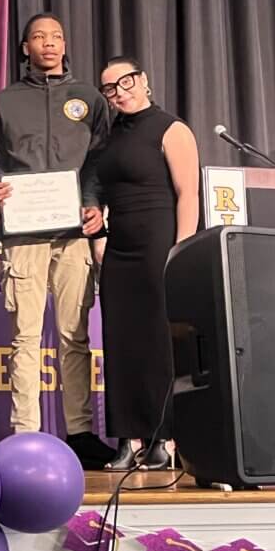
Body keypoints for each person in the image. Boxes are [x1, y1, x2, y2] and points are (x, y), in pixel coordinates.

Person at [0, 12, 114, 470]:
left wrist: (94, 202)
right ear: (25, 47)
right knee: (23, 336)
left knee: (74, 336)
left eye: (57, 36)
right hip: (23, 233)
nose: (49, 43)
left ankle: (80, 433)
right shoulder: (5, 101)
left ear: (65, 44)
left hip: (74, 234)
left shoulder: (88, 99)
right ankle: (25, 433)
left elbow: (100, 161)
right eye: (39, 37)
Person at [95, 56, 199, 470]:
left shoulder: (172, 128)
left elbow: (187, 193)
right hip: (118, 248)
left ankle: (163, 438)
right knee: (120, 342)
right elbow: (99, 192)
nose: (120, 91)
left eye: (126, 81)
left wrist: (181, 251)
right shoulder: (108, 136)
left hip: (158, 242)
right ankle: (127, 439)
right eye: (110, 88)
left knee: (158, 341)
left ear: (144, 80)